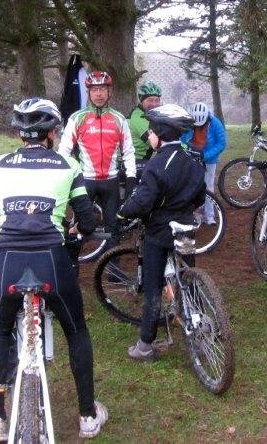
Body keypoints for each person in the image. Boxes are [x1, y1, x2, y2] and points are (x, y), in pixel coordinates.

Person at [0, 98, 107, 441]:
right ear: (51, 132)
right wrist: (73, 233)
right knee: (76, 331)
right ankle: (88, 415)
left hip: (8, 259)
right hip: (52, 259)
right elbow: (88, 222)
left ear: (19, 133)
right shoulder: (68, 164)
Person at [118, 103, 206, 361]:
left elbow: (143, 202)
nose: (150, 136)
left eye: (151, 132)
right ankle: (199, 323)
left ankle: (145, 343)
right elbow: (199, 196)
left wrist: (122, 213)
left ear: (162, 133)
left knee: (153, 286)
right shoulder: (193, 159)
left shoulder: (156, 165)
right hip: (186, 227)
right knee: (189, 279)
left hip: (159, 231)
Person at [58, 70, 136, 250]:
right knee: (79, 227)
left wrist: (131, 179)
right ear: (88, 93)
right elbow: (64, 150)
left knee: (114, 228)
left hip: (111, 181)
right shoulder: (77, 118)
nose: (99, 94)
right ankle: (71, 268)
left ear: (110, 92)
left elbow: (129, 151)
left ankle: (113, 273)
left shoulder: (119, 118)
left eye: (102, 89)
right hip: (86, 181)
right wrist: (66, 177)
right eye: (94, 90)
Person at [181, 102, 227, 225]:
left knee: (208, 186)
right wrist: (188, 153)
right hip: (191, 157)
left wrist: (205, 156)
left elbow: (221, 143)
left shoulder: (215, 123)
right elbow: (182, 139)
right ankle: (191, 212)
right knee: (190, 185)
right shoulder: (187, 123)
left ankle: (210, 216)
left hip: (209, 159)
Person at [128, 81, 163, 165]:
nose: (154, 104)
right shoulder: (138, 119)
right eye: (150, 100)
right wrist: (185, 147)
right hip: (133, 163)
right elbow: (157, 143)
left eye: (157, 100)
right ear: (141, 100)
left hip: (142, 160)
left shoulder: (149, 115)